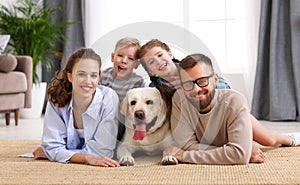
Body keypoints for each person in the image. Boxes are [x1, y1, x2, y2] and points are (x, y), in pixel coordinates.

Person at [137, 39, 299, 163]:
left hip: (222, 114)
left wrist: (244, 148)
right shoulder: (154, 90)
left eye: (160, 55)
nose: (158, 61)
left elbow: (222, 95)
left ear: (170, 54)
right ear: (150, 70)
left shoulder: (194, 68)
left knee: (267, 140)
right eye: (151, 62)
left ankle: (290, 138)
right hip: (193, 126)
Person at [33, 48, 120, 167]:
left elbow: (103, 151)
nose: (88, 81)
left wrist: (53, 154)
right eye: (81, 74)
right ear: (70, 76)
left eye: (94, 76)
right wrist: (86, 157)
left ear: (99, 78)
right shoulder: (57, 98)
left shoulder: (108, 98)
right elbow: (52, 147)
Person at [164, 53, 253, 164]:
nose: (196, 89)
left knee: (270, 139)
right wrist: (231, 152)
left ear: (215, 79)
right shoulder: (179, 99)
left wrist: (184, 156)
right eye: (188, 84)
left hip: (235, 114)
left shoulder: (235, 101)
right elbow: (187, 145)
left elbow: (239, 156)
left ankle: (282, 139)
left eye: (202, 81)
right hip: (224, 135)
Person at [100, 37, 147, 141]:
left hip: (123, 123)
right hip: (102, 121)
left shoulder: (137, 82)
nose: (124, 61)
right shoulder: (103, 76)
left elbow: (138, 108)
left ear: (136, 64)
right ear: (113, 57)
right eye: (120, 55)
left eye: (130, 58)